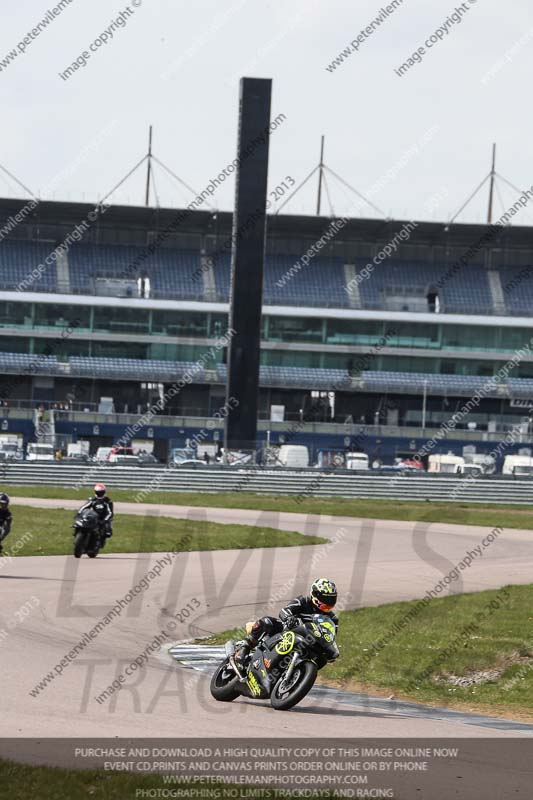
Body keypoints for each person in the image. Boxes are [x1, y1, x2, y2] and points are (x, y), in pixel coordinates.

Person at [237, 578, 339, 664]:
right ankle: (244, 648)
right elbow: (285, 611)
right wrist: (289, 618)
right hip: (287, 630)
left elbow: (331, 636)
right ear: (315, 594)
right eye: (326, 598)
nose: (329, 602)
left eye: (331, 599)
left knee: (323, 659)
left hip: (309, 642)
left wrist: (330, 649)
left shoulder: (333, 618)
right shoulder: (303, 601)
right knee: (266, 621)